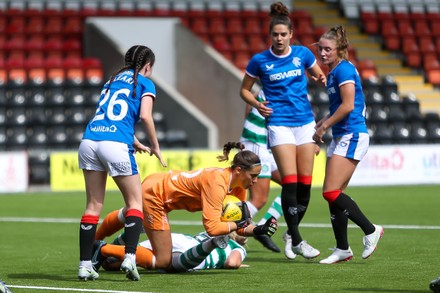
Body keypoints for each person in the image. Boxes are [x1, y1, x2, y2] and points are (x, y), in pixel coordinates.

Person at [95, 142, 278, 273]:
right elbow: (214, 228)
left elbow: (238, 223)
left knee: (130, 212)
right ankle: (101, 248)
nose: (255, 181)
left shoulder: (238, 187)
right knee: (163, 260)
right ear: (238, 170)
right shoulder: (218, 183)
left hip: (156, 182)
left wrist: (259, 229)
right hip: (156, 197)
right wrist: (238, 225)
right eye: (253, 176)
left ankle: (94, 240)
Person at [239, 1, 326, 260]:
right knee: (289, 184)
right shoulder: (259, 61)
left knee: (304, 186)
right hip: (279, 125)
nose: (279, 38)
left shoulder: (302, 55)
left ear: (291, 35)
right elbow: (244, 89)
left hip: (305, 123)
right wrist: (257, 103)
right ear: (270, 36)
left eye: (283, 34)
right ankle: (297, 238)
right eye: (275, 34)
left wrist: (319, 77)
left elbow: (318, 74)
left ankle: (290, 234)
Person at [77, 45, 167, 281]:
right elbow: (145, 116)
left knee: (92, 206)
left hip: (89, 140)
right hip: (114, 144)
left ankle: (85, 265)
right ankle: (129, 257)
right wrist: (155, 146)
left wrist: (134, 140)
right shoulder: (145, 82)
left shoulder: (112, 80)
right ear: (148, 66)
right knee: (135, 203)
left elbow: (110, 115)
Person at [313, 25, 383, 264]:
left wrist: (323, 126)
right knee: (334, 195)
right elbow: (337, 109)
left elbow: (348, 106)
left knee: (330, 192)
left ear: (340, 50)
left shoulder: (343, 70)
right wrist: (323, 123)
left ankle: (371, 229)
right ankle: (343, 248)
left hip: (352, 134)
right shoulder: (334, 72)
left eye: (327, 49)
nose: (322, 54)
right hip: (342, 134)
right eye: (320, 49)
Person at [239, 89, 283, 253]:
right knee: (258, 199)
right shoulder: (282, 87)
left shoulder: (267, 87)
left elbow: (248, 104)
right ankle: (224, 228)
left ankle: (262, 229)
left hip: (262, 143)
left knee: (295, 186)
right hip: (257, 143)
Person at [92, 231, 248, 273]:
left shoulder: (211, 231)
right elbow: (231, 263)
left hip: (180, 239)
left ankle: (104, 246)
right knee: (167, 265)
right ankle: (211, 246)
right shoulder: (237, 247)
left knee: (110, 264)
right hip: (195, 255)